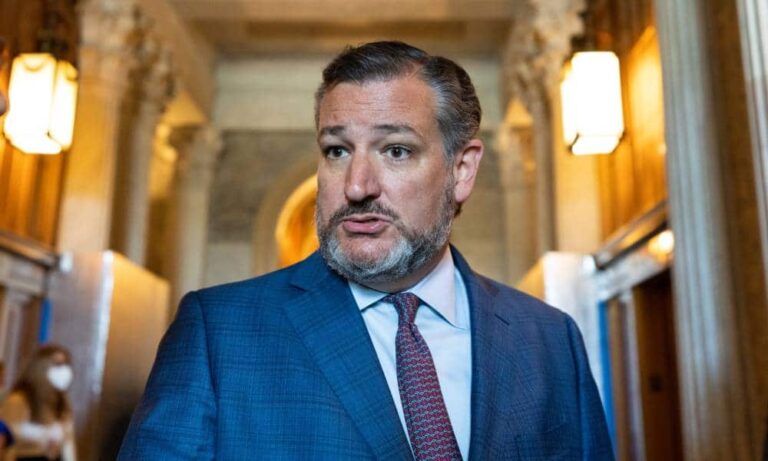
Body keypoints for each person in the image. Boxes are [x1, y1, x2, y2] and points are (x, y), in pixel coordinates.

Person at [119, 41, 613, 460]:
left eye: (395, 150)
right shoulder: (218, 334)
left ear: (462, 170)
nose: (356, 185)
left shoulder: (550, 340)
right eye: (337, 150)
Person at [0, 345, 76, 461]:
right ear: (40, 366)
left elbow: (68, 446)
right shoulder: (19, 400)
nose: (64, 370)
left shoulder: (62, 402)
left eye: (66, 364)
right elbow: (6, 436)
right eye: (58, 364)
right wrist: (40, 435)